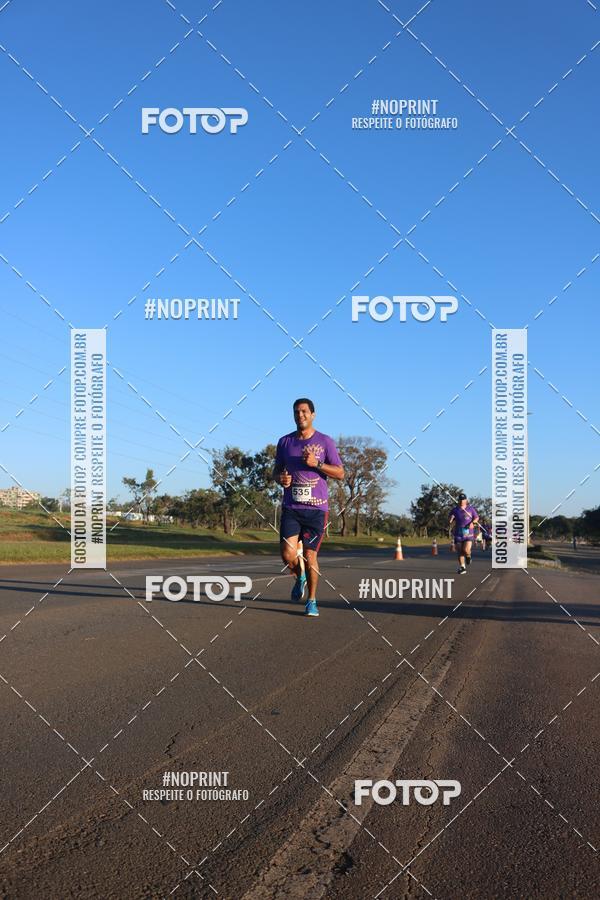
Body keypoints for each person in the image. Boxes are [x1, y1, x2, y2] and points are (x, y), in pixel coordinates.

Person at [273, 398, 344, 617]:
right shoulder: (284, 442)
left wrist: (318, 464)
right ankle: (299, 577)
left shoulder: (325, 442)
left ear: (313, 414)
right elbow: (276, 472)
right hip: (291, 507)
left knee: (310, 557)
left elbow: (340, 473)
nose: (300, 415)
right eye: (296, 412)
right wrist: (281, 479)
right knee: (287, 554)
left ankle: (312, 601)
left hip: (316, 510)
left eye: (304, 411)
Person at [449, 493, 479, 574]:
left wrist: (473, 522)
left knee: (466, 550)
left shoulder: (470, 509)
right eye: (460, 500)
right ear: (458, 500)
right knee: (460, 551)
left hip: (468, 533)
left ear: (466, 500)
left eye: (463, 499)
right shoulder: (455, 509)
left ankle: (468, 556)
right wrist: (451, 518)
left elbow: (476, 517)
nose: (462, 501)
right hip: (458, 533)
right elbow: (451, 516)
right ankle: (462, 567)